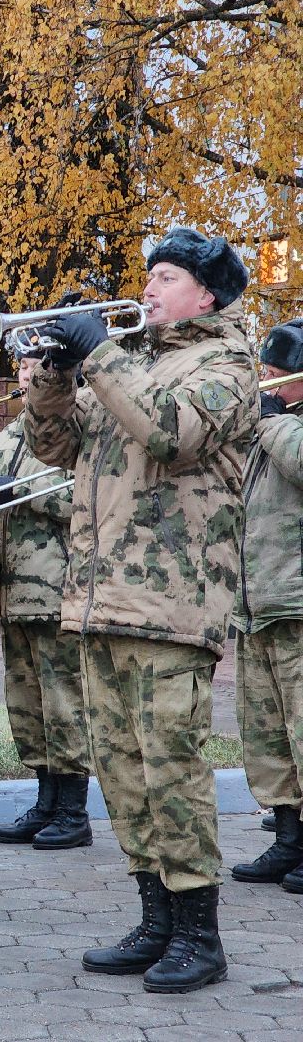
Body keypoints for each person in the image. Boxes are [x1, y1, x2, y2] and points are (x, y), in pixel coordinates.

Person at [25, 227, 256, 993]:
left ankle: (199, 934)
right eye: (148, 275)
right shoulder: (135, 362)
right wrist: (54, 374)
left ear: (207, 296)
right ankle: (156, 920)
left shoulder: (227, 364)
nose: (148, 289)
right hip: (101, 598)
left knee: (171, 772)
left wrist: (99, 352)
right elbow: (55, 446)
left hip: (172, 603)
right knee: (123, 773)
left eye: (166, 277)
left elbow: (170, 433)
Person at [0, 347, 92, 850]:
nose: (24, 373)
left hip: (60, 588)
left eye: (35, 365)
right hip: (15, 591)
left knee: (65, 702)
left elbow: (85, 498)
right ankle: (45, 801)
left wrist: (22, 493)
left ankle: (73, 811)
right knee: (27, 705)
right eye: (23, 365)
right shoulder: (10, 432)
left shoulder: (81, 421)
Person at [230, 318, 303, 891]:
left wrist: (271, 421)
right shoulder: (270, 426)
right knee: (268, 736)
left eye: (279, 375)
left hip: (297, 605)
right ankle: (288, 838)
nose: (268, 383)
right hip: (257, 604)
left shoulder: (279, 427)